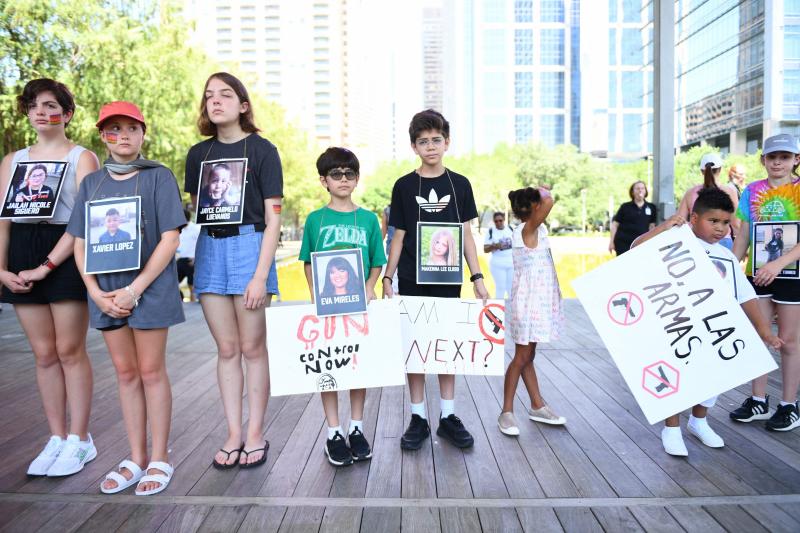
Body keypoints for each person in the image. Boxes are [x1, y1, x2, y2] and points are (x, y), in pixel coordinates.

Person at [67, 101, 186, 494]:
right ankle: (135, 457)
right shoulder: (92, 184)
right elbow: (80, 241)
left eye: (131, 129)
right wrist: (96, 293)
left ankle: (159, 458)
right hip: (105, 293)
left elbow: (171, 238)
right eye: (114, 130)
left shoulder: (159, 177)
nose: (123, 136)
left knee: (151, 372)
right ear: (104, 136)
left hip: (148, 290)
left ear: (142, 133)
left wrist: (135, 289)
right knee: (125, 373)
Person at [632, 188, 782, 454]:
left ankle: (699, 421)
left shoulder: (727, 256)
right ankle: (672, 428)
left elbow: (746, 296)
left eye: (725, 223)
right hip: (676, 324)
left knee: (714, 375)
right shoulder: (674, 240)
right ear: (694, 218)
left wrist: (764, 331)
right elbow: (635, 248)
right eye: (713, 221)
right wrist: (665, 227)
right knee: (677, 376)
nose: (721, 229)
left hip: (714, 329)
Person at [0, 78, 100, 478]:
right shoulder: (12, 161)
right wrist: (2, 270)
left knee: (69, 350)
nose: (40, 112)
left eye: (49, 105)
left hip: (64, 252)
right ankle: (56, 436)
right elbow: (4, 220)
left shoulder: (82, 158)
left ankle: (81, 439)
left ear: (67, 113)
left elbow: (83, 221)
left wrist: (48, 265)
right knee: (43, 354)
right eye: (33, 106)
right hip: (21, 249)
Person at [185, 72, 283, 468]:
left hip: (250, 245)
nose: (216, 101)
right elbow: (201, 209)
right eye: (209, 95)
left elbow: (273, 219)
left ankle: (256, 433)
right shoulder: (197, 154)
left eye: (225, 94)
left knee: (251, 347)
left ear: (243, 105)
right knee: (226, 349)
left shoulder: (263, 150)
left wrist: (260, 275)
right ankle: (233, 433)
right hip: (211, 246)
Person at [382, 109, 489, 450]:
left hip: (448, 279)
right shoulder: (403, 185)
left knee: (446, 348)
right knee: (415, 348)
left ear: (447, 142)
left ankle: (447, 416)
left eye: (436, 140)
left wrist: (477, 277)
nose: (430, 146)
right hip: (412, 279)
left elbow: (466, 236)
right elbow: (397, 236)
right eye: (423, 141)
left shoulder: (459, 185)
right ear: (414, 146)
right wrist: (388, 276)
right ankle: (418, 417)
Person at [299, 147, 385, 466]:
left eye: (350, 173)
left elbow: (377, 260)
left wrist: (368, 287)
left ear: (357, 178)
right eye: (336, 174)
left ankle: (357, 428)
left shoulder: (368, 219)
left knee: (356, 367)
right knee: (329, 368)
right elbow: (308, 261)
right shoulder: (315, 219)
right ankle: (334, 431)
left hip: (359, 307)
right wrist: (313, 294)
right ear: (324, 181)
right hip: (327, 309)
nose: (344, 179)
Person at [730, 133, 800, 432]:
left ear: (796, 160)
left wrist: (779, 264)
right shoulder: (752, 191)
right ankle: (758, 400)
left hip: (791, 274)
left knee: (789, 340)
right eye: (772, 157)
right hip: (758, 274)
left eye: (784, 157)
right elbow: (744, 233)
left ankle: (789, 405)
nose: (778, 163)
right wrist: (730, 268)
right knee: (758, 335)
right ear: (763, 160)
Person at [498, 187, 566, 436]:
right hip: (529, 306)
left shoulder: (533, 230)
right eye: (539, 203)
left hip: (536, 303)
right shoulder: (528, 230)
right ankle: (506, 412)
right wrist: (541, 192)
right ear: (534, 208)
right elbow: (550, 200)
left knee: (528, 355)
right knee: (521, 357)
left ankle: (537, 404)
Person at [676, 153, 740, 250]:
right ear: (720, 170)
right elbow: (736, 224)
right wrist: (739, 245)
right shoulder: (730, 191)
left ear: (702, 171)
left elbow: (679, 221)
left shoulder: (690, 193)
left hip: (695, 241)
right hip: (723, 241)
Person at [609, 181, 657, 255]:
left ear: (645, 191)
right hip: (623, 244)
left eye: (642, 188)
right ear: (632, 192)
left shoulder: (651, 207)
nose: (640, 190)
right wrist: (611, 242)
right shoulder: (625, 207)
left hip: (641, 243)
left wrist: (652, 242)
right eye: (637, 188)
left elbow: (652, 226)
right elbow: (615, 225)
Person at [483, 211, 514, 299]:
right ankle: (498, 309)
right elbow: (485, 249)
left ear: (504, 220)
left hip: (511, 264)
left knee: (511, 288)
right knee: (500, 288)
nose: (498, 223)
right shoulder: (491, 231)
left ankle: (512, 310)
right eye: (496, 221)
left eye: (500, 220)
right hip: (497, 265)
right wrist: (494, 246)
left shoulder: (510, 229)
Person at [176, 209, 199, 302]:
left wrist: (196, 258)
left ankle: (192, 304)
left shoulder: (196, 228)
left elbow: (201, 244)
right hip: (180, 260)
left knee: (191, 285)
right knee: (173, 283)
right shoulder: (178, 230)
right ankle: (180, 300)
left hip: (192, 260)